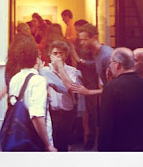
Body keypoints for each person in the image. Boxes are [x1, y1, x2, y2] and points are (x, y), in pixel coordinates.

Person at [98, 47, 143, 152]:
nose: (109, 66)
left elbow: (107, 124)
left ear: (117, 64)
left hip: (120, 147)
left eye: (110, 63)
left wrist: (103, 150)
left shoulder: (111, 88)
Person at [8, 39, 57, 152]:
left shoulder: (14, 79)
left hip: (19, 136)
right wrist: (48, 144)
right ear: (36, 59)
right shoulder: (38, 81)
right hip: (36, 139)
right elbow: (37, 115)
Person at [41, 40, 80, 152]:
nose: (58, 56)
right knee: (52, 142)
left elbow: (70, 87)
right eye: (55, 53)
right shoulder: (45, 71)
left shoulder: (72, 71)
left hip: (67, 112)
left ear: (65, 55)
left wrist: (60, 68)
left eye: (61, 53)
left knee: (63, 144)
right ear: (50, 55)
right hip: (52, 112)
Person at [73, 19, 99, 150]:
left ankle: (92, 138)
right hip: (83, 78)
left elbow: (96, 63)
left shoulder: (93, 47)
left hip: (92, 80)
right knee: (86, 110)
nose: (78, 34)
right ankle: (86, 135)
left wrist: (81, 61)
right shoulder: (78, 42)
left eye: (79, 31)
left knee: (92, 111)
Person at [69, 23, 114, 97]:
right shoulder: (97, 53)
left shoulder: (107, 55)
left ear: (95, 38)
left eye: (84, 40)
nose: (81, 43)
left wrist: (88, 92)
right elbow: (96, 63)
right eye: (81, 40)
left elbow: (115, 87)